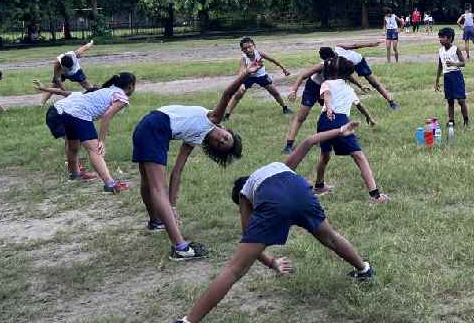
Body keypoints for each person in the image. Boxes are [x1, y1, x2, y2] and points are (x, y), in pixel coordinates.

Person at [171, 121, 374, 323]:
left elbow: (248, 237)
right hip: (301, 190)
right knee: (331, 238)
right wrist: (340, 130)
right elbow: (309, 141)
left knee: (234, 269)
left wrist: (271, 262)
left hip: (274, 200)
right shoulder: (278, 167)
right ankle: (364, 269)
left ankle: (188, 321)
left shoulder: (244, 194)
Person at [132, 62, 254, 261]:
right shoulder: (213, 118)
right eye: (226, 137)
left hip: (148, 126)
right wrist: (245, 75)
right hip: (155, 127)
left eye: (221, 145)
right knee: (156, 188)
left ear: (212, 149)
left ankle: (156, 222)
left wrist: (172, 206)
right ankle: (180, 248)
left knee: (148, 182)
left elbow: (177, 172)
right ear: (226, 129)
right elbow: (226, 94)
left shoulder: (195, 138)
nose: (221, 140)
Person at [32, 73, 136, 192]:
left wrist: (44, 88)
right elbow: (106, 117)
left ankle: (74, 174)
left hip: (59, 110)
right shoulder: (121, 97)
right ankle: (110, 184)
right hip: (77, 114)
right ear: (130, 86)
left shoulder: (106, 90)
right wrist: (102, 140)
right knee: (95, 150)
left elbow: (67, 94)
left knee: (73, 146)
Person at [312, 58, 388, 204]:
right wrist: (369, 118)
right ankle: (376, 196)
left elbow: (328, 94)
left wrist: (328, 109)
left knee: (325, 155)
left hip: (323, 121)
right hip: (340, 121)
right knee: (359, 157)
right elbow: (357, 105)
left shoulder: (327, 83)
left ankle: (319, 186)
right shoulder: (348, 88)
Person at [283, 61, 367, 154]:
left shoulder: (339, 64)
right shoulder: (323, 65)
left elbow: (348, 75)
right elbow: (303, 75)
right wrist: (294, 90)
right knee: (301, 117)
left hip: (327, 89)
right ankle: (289, 145)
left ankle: (335, 134)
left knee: (337, 110)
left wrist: (361, 86)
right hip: (313, 88)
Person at [223, 37, 291, 120]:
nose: (248, 50)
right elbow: (241, 72)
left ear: (254, 46)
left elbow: (273, 60)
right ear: (242, 50)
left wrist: (284, 69)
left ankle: (285, 108)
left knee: (275, 92)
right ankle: (227, 115)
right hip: (248, 77)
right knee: (238, 95)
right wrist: (240, 84)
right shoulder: (243, 59)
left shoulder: (259, 53)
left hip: (261, 76)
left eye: (250, 47)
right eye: (245, 49)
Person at [318, 42, 398, 110]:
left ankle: (391, 101)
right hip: (349, 66)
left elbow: (355, 45)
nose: (327, 61)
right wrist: (360, 86)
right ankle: (338, 106)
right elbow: (348, 76)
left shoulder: (338, 47)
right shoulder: (335, 64)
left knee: (374, 83)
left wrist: (371, 44)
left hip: (359, 62)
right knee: (340, 85)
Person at [40, 40, 96, 105]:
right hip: (62, 74)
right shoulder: (57, 63)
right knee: (53, 86)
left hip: (76, 72)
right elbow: (57, 79)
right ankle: (41, 104)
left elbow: (85, 47)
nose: (69, 69)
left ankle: (95, 97)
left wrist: (91, 42)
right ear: (62, 65)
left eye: (70, 68)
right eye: (67, 68)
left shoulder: (75, 54)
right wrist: (65, 93)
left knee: (87, 85)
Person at [435, 27, 470, 128]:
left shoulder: (455, 49)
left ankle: (466, 120)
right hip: (447, 77)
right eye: (439, 37)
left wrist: (454, 64)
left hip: (456, 76)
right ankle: (451, 121)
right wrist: (437, 80)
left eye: (443, 37)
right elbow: (440, 65)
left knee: (460, 100)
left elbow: (463, 63)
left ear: (450, 38)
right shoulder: (440, 50)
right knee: (450, 100)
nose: (440, 39)